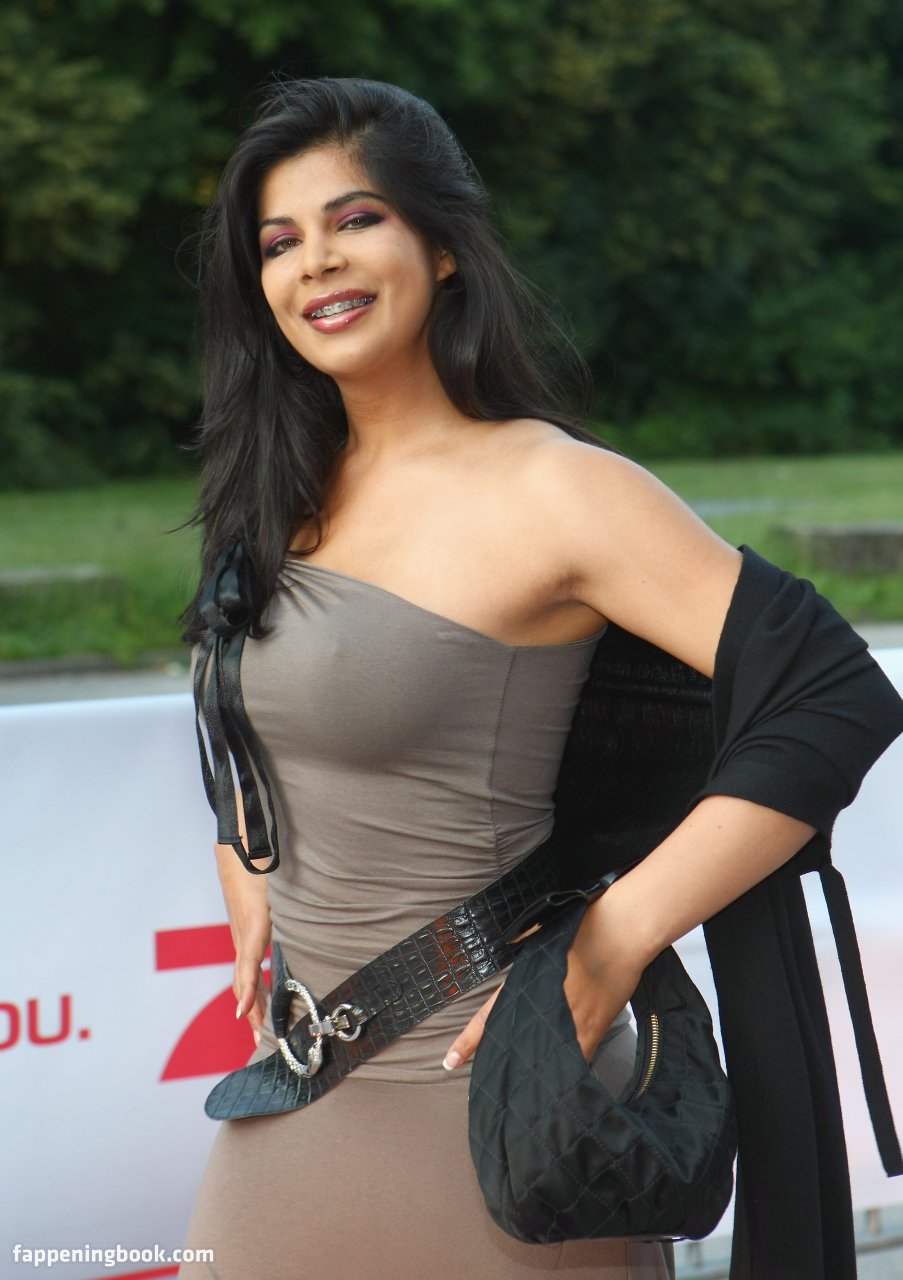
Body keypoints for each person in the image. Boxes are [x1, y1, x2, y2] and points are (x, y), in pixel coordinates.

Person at [179, 77, 903, 1279]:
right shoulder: (277, 488)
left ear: (442, 246)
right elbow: (266, 701)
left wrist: (615, 937)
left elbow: (833, 689)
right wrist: (241, 847)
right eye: (279, 240)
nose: (317, 261)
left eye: (355, 219)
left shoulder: (551, 488)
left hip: (495, 1112)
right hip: (287, 1102)